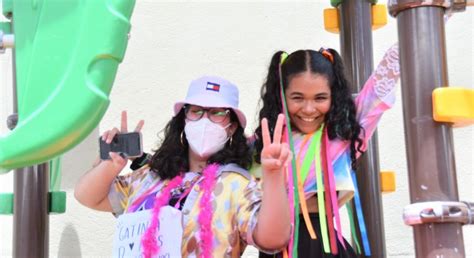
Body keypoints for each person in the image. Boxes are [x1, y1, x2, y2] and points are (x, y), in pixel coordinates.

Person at [74, 76, 292, 257]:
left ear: (232, 127)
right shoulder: (152, 176)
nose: (204, 120)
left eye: (217, 113)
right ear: (184, 119)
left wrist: (273, 175)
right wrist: (111, 165)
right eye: (196, 110)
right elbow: (88, 197)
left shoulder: (238, 185)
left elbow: (273, 240)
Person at [253, 45, 399, 258]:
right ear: (281, 95)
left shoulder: (343, 132)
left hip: (324, 245)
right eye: (297, 98)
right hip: (276, 248)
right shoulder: (262, 144)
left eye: (320, 98)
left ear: (334, 97)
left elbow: (381, 86)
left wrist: (420, 18)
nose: (309, 109)